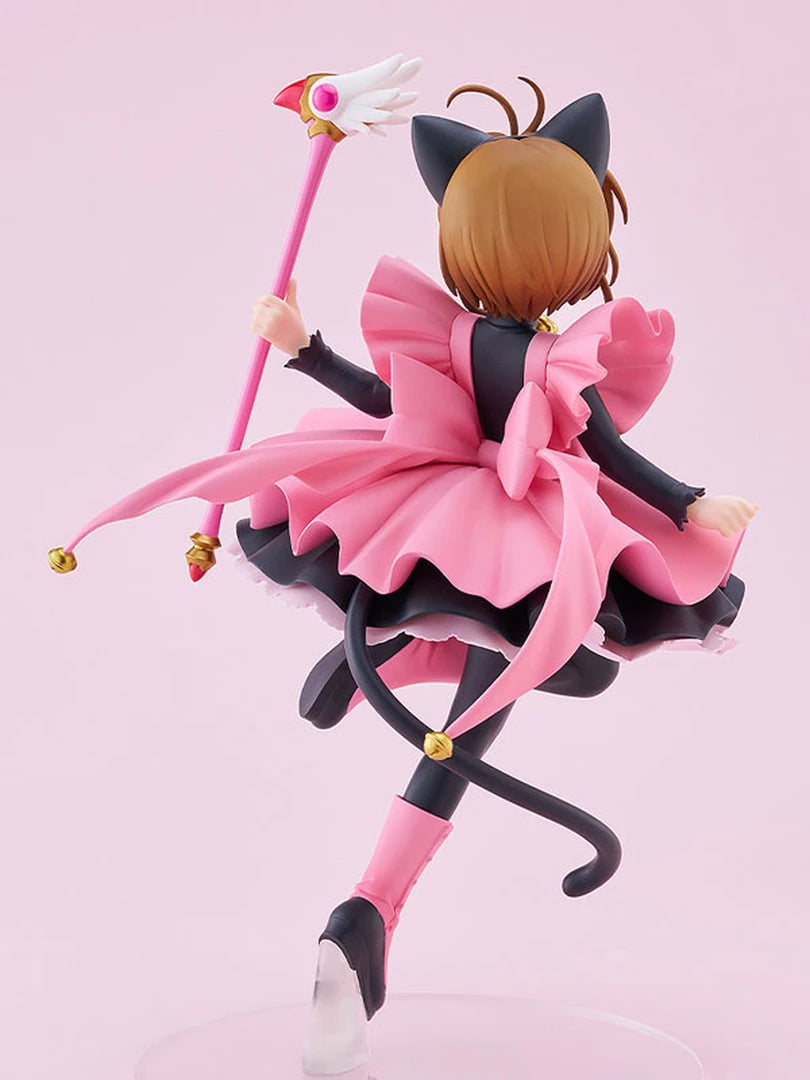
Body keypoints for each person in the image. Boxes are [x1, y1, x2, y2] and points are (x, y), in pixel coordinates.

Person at [52, 81, 757, 1071]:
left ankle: (385, 670)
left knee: (533, 668)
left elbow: (392, 402)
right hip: (525, 529)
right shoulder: (551, 359)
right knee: (497, 697)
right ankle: (373, 891)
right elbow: (609, 454)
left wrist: (306, 351)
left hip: (441, 507)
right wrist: (686, 504)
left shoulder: (455, 335)